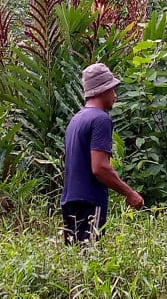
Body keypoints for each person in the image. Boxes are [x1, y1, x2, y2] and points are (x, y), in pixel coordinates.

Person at [60, 62, 144, 244]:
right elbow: (99, 167)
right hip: (89, 201)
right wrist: (129, 193)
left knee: (75, 258)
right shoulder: (101, 119)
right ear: (103, 90)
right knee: (90, 257)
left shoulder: (76, 119)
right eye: (113, 89)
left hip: (69, 201)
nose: (115, 95)